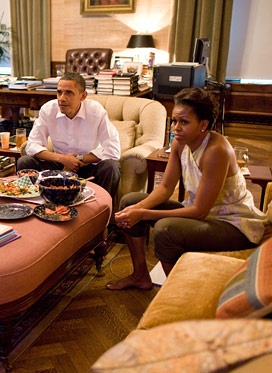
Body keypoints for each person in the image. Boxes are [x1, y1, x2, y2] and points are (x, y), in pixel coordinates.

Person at [108, 87, 267, 290]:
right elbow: (165, 187)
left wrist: (142, 213)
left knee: (165, 230)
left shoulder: (216, 150)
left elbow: (199, 212)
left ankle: (177, 292)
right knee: (130, 201)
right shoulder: (179, 144)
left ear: (203, 125)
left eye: (184, 122)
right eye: (174, 121)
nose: (176, 128)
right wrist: (136, 209)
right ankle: (140, 275)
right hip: (204, 216)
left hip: (232, 223)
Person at [16, 72, 121, 198]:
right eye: (59, 92)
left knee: (111, 166)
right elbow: (32, 146)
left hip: (88, 165)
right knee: (25, 162)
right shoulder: (48, 110)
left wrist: (78, 160)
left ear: (83, 96)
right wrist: (63, 159)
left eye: (69, 93)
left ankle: (103, 208)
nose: (62, 98)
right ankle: (30, 202)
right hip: (59, 164)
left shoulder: (96, 112)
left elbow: (113, 150)